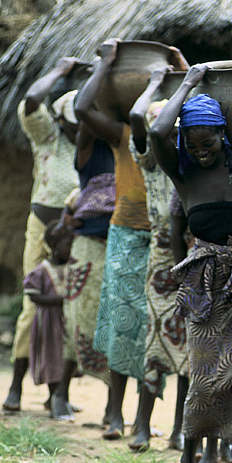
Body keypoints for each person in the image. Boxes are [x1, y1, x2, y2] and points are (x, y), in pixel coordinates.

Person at [150, 62, 232, 463]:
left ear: (224, 136)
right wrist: (188, 82)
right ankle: (188, 458)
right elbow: (159, 132)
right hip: (203, 285)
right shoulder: (185, 175)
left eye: (208, 142)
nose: (201, 151)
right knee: (202, 377)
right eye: (193, 144)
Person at [75, 39, 154, 440]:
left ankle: (142, 419)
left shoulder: (180, 138)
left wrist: (178, 65)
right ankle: (114, 413)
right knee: (122, 324)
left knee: (155, 331)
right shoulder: (124, 136)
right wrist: (105, 62)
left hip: (163, 239)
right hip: (126, 233)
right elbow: (83, 109)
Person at [3, 57, 82, 414]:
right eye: (75, 125)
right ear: (62, 121)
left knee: (71, 312)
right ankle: (16, 386)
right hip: (42, 233)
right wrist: (59, 71)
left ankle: (58, 393)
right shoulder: (48, 135)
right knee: (30, 308)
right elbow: (32, 102)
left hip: (75, 239)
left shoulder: (91, 148)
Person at [126, 68, 190, 453]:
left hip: (194, 256)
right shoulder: (151, 159)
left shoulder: (191, 156)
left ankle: (179, 429)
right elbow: (138, 117)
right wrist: (155, 83)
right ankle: (141, 423)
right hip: (162, 258)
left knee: (189, 351)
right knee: (154, 345)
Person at [58, 122, 116, 421]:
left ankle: (111, 407)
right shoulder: (89, 154)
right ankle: (60, 395)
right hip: (88, 250)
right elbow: (86, 116)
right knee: (78, 321)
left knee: (114, 326)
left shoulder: (127, 146)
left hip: (120, 247)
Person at [23, 220, 74, 415]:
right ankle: (55, 400)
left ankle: (61, 398)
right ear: (54, 246)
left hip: (64, 324)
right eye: (68, 245)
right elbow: (33, 295)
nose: (72, 249)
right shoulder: (41, 270)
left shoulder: (70, 268)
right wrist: (58, 301)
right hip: (48, 325)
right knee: (53, 360)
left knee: (65, 360)